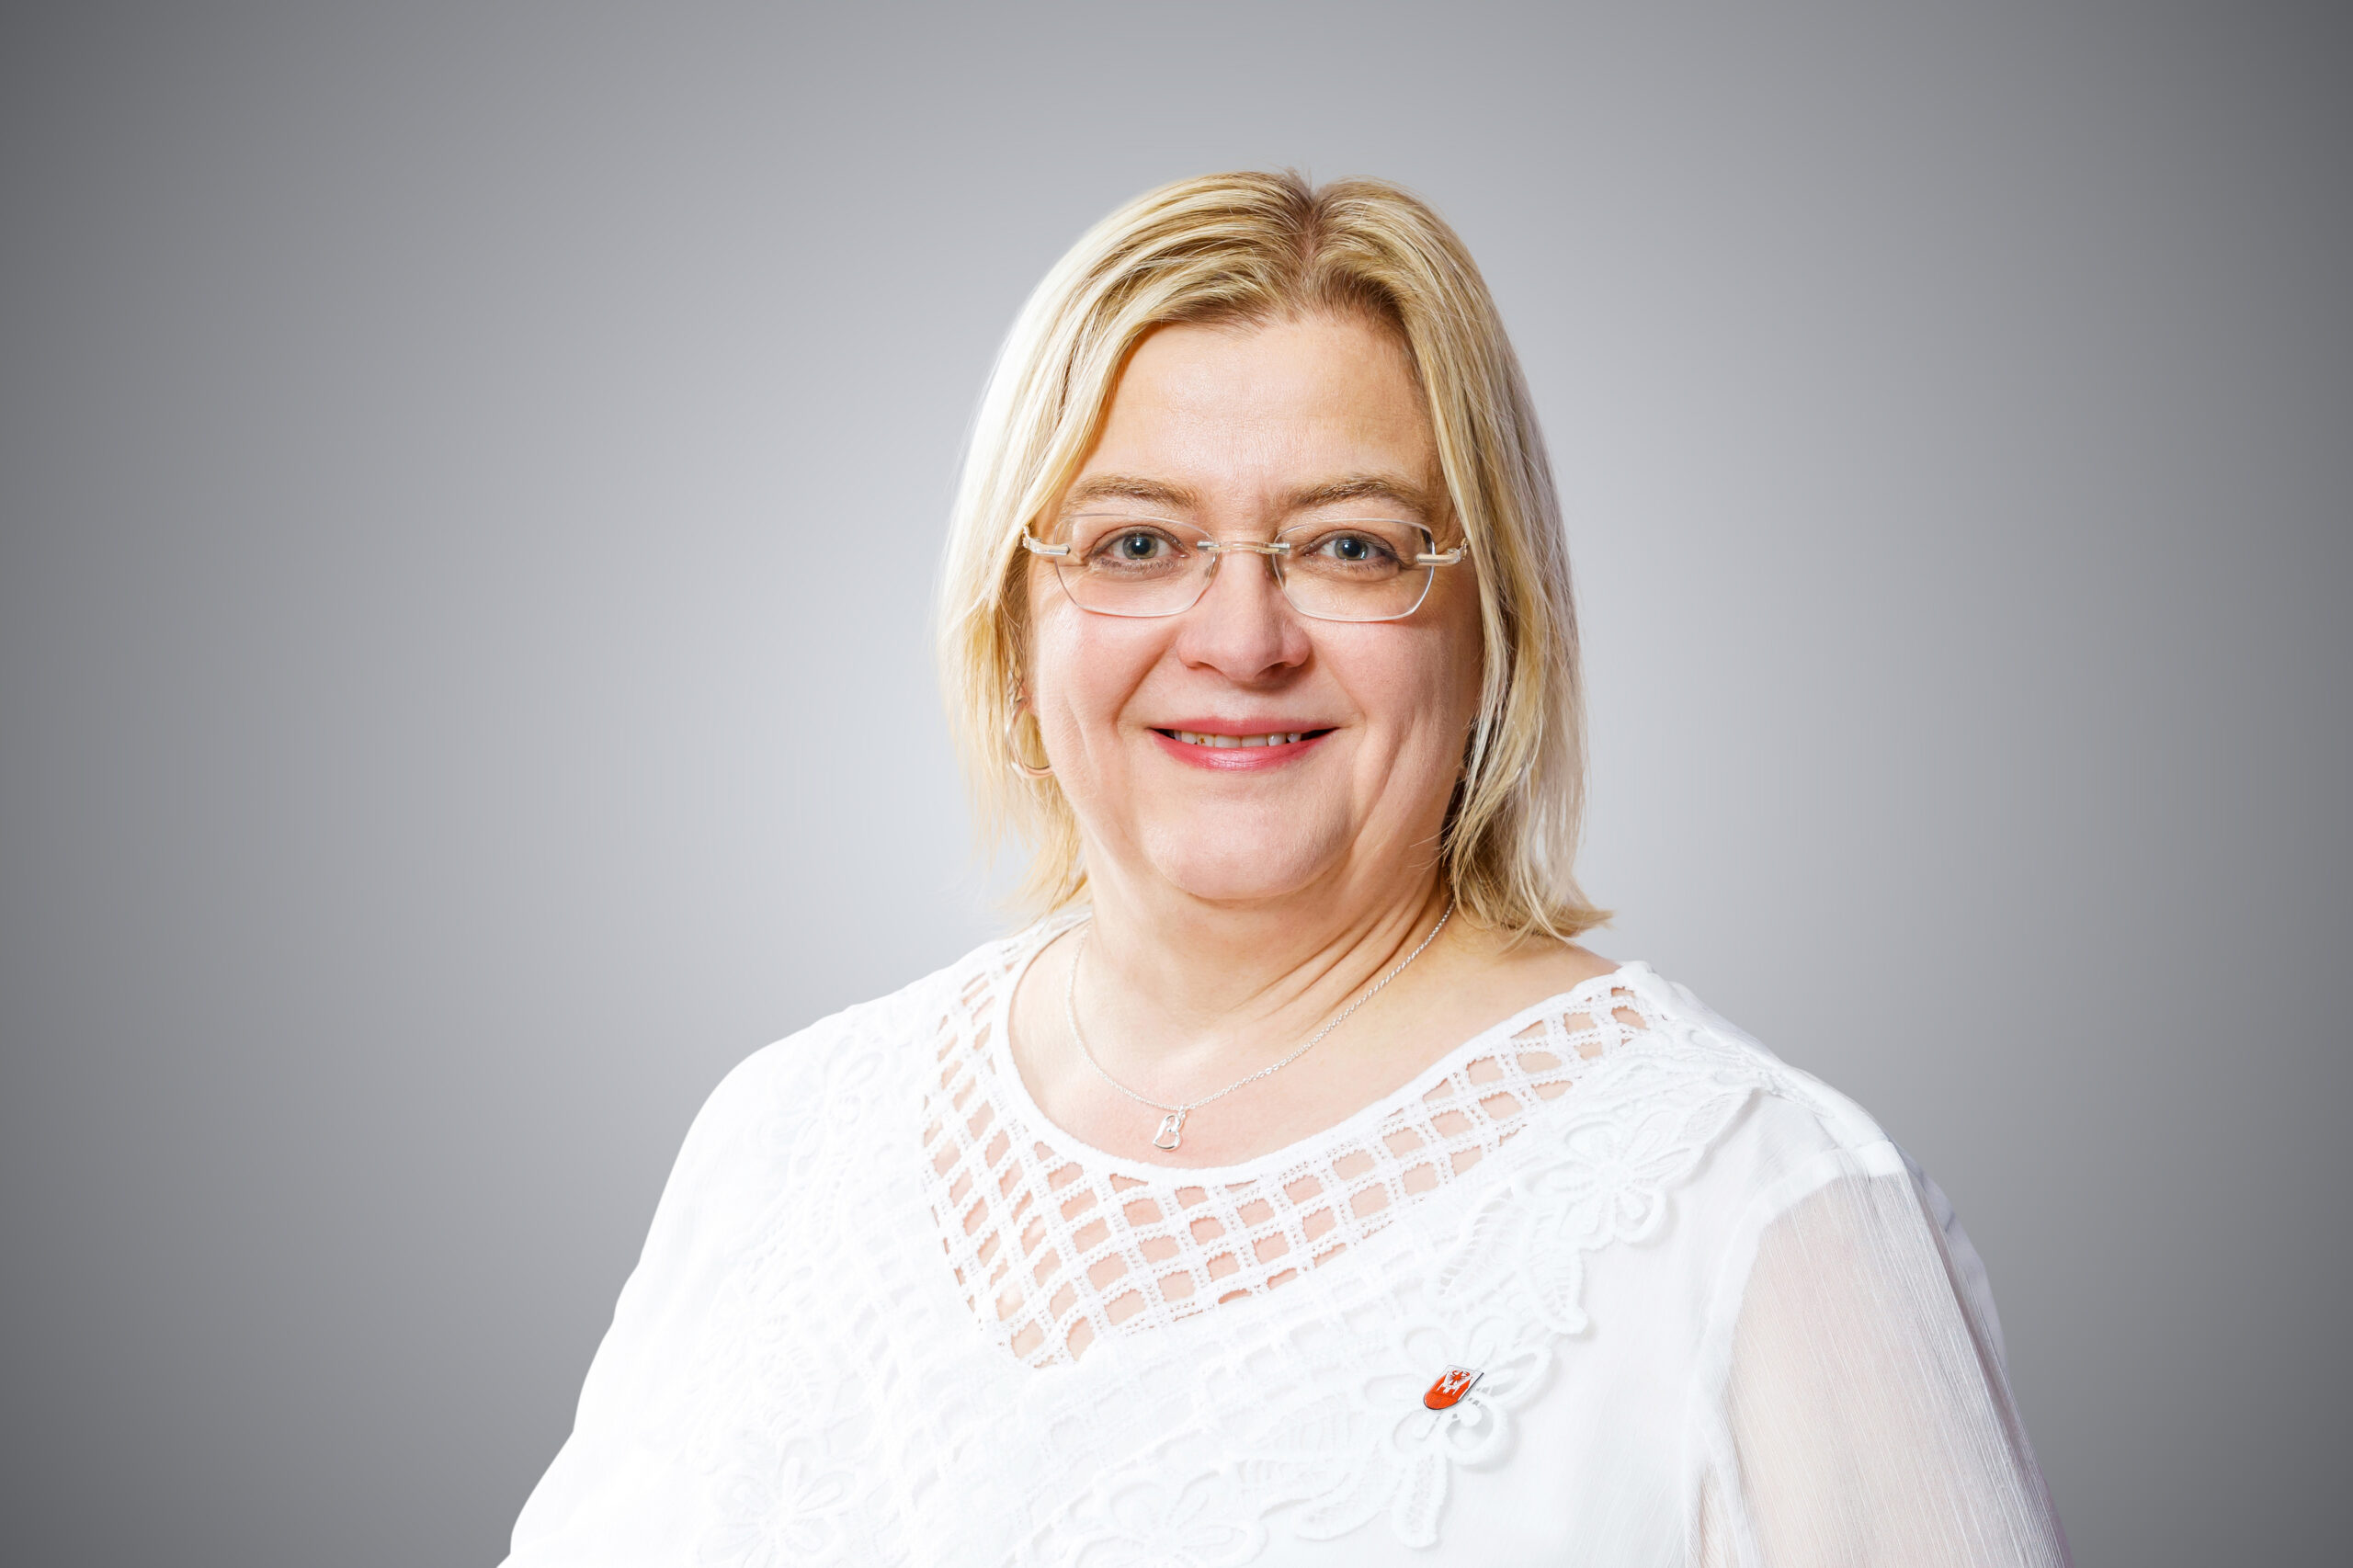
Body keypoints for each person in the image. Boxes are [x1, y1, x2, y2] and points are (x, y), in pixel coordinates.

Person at [505, 171, 2069, 1567]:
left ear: (1497, 625)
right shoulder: (784, 1136)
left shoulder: (1758, 1206)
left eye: (1350, 546)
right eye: (1135, 543)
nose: (1241, 638)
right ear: (1015, 619)